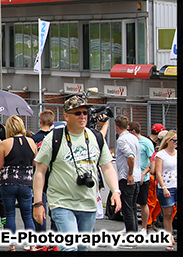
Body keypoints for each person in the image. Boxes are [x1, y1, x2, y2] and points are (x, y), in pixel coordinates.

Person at [32, 95, 121, 252]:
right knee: (69, 247)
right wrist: (38, 203)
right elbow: (40, 171)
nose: (83, 116)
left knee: (82, 247)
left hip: (88, 202)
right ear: (66, 116)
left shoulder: (96, 137)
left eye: (85, 113)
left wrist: (115, 191)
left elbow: (107, 167)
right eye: (77, 113)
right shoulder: (54, 138)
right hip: (61, 202)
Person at [0, 115, 37, 251]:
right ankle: (32, 245)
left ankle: (12, 245)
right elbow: (35, 162)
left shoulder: (5, 143)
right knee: (27, 215)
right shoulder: (31, 142)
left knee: (10, 214)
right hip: (26, 182)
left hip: (8, 181)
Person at [114, 115, 141, 236]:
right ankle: (134, 234)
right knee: (133, 207)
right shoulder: (134, 138)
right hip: (137, 176)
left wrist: (129, 173)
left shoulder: (121, 139)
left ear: (116, 127)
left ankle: (131, 236)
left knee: (127, 208)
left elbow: (130, 156)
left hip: (127, 177)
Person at [128, 121, 155, 232]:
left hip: (143, 178)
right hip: (132, 177)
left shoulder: (146, 142)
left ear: (133, 131)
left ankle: (144, 227)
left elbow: (152, 160)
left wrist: (144, 173)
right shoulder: (129, 141)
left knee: (143, 203)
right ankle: (130, 227)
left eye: (129, 130)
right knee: (130, 203)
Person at [154, 130, 177, 251]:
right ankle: (169, 238)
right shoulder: (161, 154)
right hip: (167, 186)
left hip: (177, 185)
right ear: (168, 141)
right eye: (175, 140)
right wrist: (164, 188)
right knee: (168, 214)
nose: (176, 143)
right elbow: (158, 173)